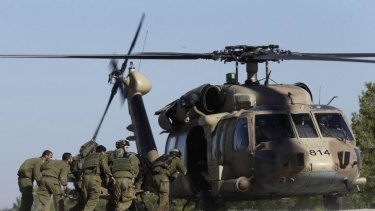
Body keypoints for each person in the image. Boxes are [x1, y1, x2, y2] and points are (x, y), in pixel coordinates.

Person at [81, 145, 115, 211]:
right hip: (94, 178)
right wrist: (111, 176)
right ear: (103, 151)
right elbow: (105, 167)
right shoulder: (101, 155)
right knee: (93, 199)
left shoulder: (88, 157)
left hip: (84, 178)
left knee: (87, 200)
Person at [111, 139, 140, 211]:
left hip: (114, 181)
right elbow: (135, 171)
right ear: (124, 147)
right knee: (128, 200)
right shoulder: (132, 157)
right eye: (127, 147)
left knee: (116, 202)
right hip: (127, 181)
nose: (128, 149)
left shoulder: (111, 156)